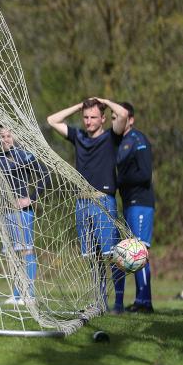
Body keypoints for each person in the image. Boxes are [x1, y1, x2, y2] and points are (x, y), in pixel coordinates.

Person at [47, 97, 128, 313]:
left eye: (93, 117)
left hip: (103, 201)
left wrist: (105, 101)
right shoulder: (79, 136)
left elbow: (123, 115)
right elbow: (52, 120)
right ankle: (99, 301)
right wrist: (79, 106)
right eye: (85, 117)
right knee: (92, 257)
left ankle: (118, 303)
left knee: (111, 254)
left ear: (103, 119)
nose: (88, 121)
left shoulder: (112, 137)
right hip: (81, 203)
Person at [0, 128, 50, 306]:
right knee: (13, 254)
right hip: (7, 212)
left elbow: (45, 176)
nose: (5, 139)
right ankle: (17, 294)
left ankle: (30, 294)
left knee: (27, 250)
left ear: (15, 136)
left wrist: (31, 198)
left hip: (23, 213)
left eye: (9, 135)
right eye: (2, 136)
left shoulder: (24, 156)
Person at [116, 102, 155, 313]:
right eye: (114, 117)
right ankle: (140, 300)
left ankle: (145, 302)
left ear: (130, 119)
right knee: (132, 253)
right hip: (129, 204)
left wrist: (119, 180)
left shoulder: (139, 140)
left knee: (140, 252)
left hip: (141, 204)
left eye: (120, 117)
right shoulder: (120, 142)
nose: (117, 120)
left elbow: (145, 174)